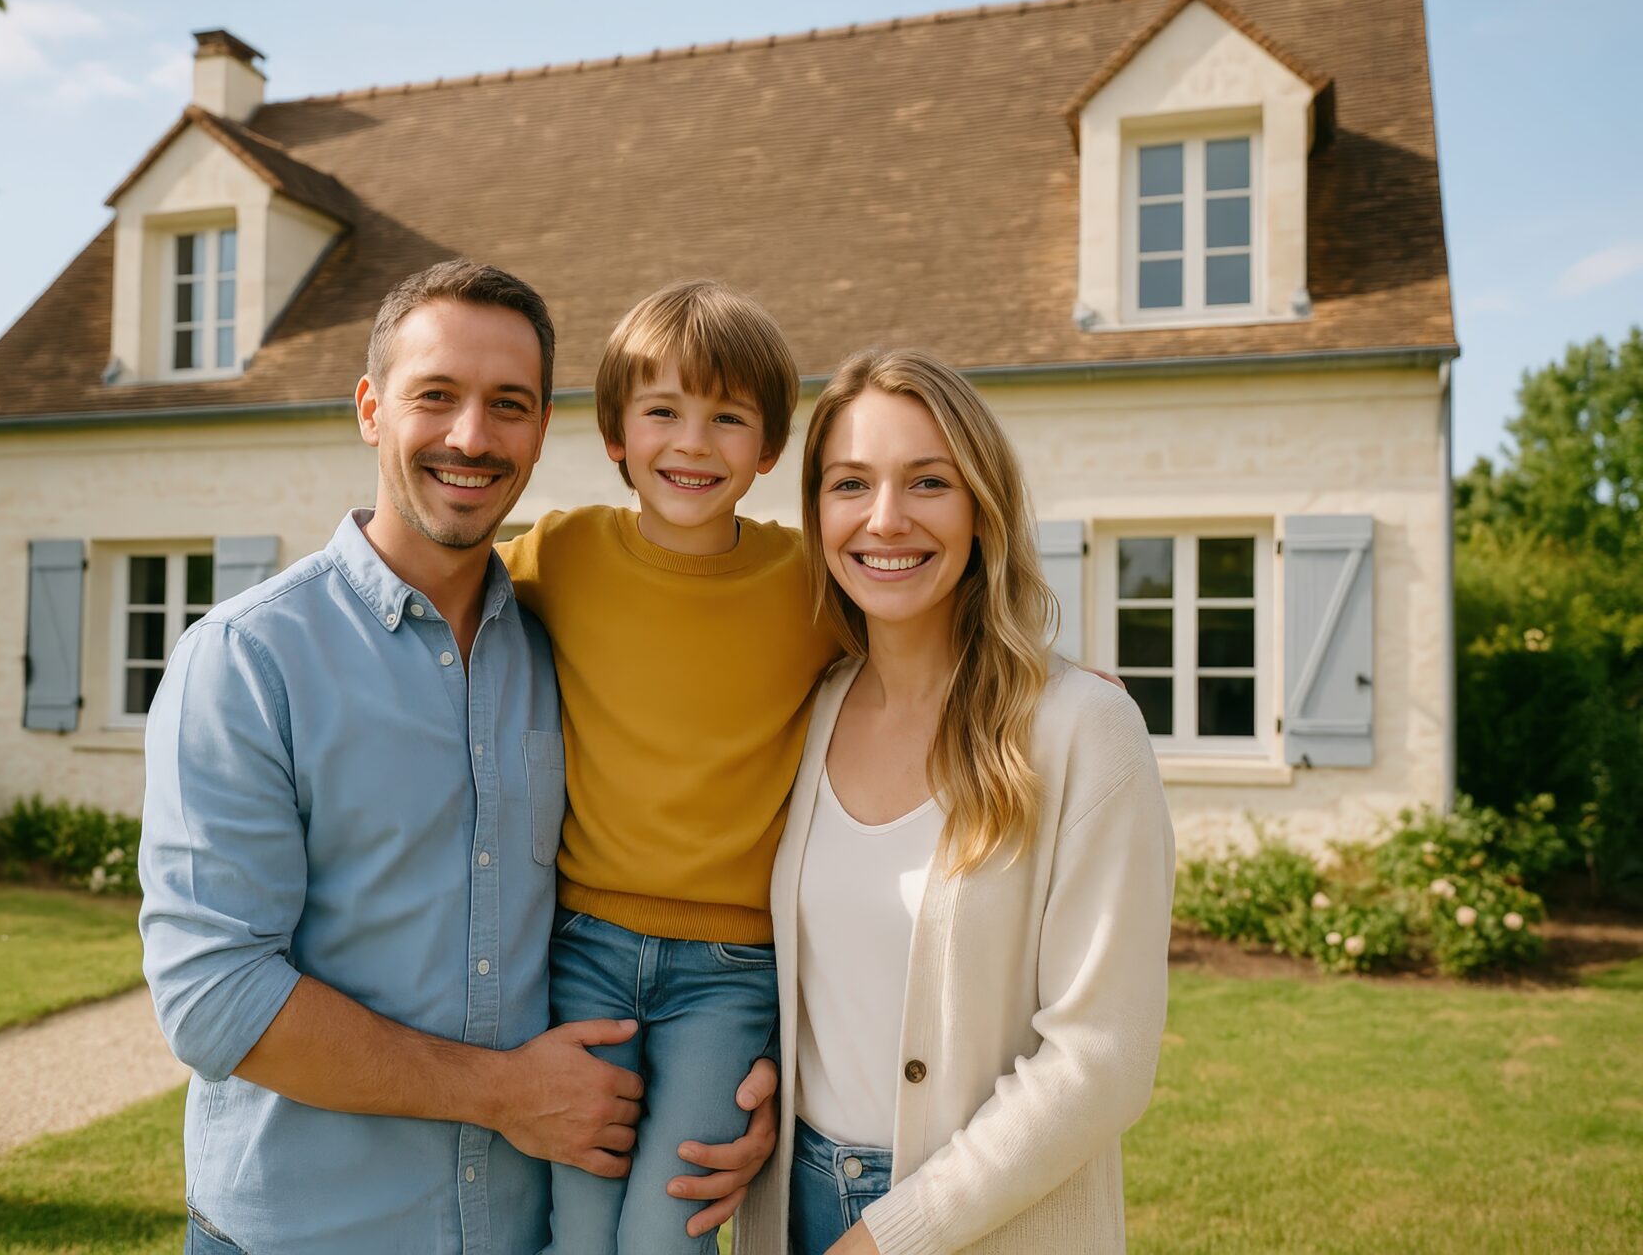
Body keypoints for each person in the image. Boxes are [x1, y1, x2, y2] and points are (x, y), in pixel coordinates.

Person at [137, 260, 777, 1255]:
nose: (472, 436)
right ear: (370, 409)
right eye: (436, 396)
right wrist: (503, 1094)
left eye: (507, 406)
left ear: (543, 430)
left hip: (527, 1227)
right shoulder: (250, 658)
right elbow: (215, 999)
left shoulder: (559, 633)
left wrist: (741, 1093)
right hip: (308, 1233)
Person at [731, 349, 1176, 1254]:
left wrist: (895, 1233)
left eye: (927, 482)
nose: (884, 519)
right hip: (791, 1207)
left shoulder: (1081, 728)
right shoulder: (807, 711)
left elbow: (1102, 1060)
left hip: (982, 1224)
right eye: (850, 483)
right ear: (817, 515)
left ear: (983, 508)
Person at [496, 280, 840, 1253]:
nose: (693, 442)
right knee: (578, 1223)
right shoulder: (563, 553)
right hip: (584, 950)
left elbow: (940, 633)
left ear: (768, 448)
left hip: (728, 975)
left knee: (666, 1231)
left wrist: (1050, 672)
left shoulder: (809, 583)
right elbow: (434, 595)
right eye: (663, 411)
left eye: (727, 417)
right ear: (615, 432)